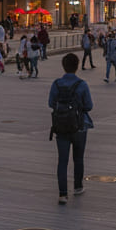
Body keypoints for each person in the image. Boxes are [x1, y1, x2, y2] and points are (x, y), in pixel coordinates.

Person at [49, 53, 94, 204]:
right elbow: (89, 106)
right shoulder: (82, 85)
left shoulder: (56, 84)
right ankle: (78, 186)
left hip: (61, 126)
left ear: (63, 66)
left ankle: (62, 194)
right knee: (78, 158)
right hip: (79, 126)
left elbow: (51, 103)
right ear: (76, 66)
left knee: (62, 160)